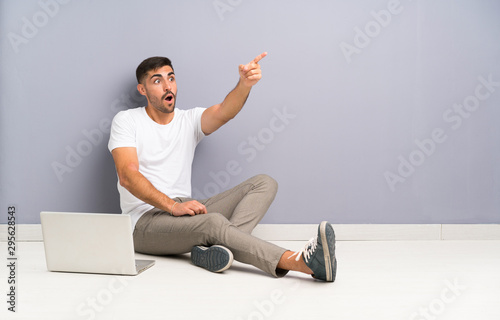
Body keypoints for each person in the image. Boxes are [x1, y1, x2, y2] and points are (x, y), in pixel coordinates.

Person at [108, 52, 337, 281]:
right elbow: (127, 175)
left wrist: (245, 84)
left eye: (171, 78)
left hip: (184, 210)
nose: (168, 86)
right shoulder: (127, 120)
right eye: (157, 81)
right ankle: (303, 263)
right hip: (143, 223)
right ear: (143, 90)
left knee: (264, 183)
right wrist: (171, 206)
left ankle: (221, 251)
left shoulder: (188, 120)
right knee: (213, 222)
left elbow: (225, 111)